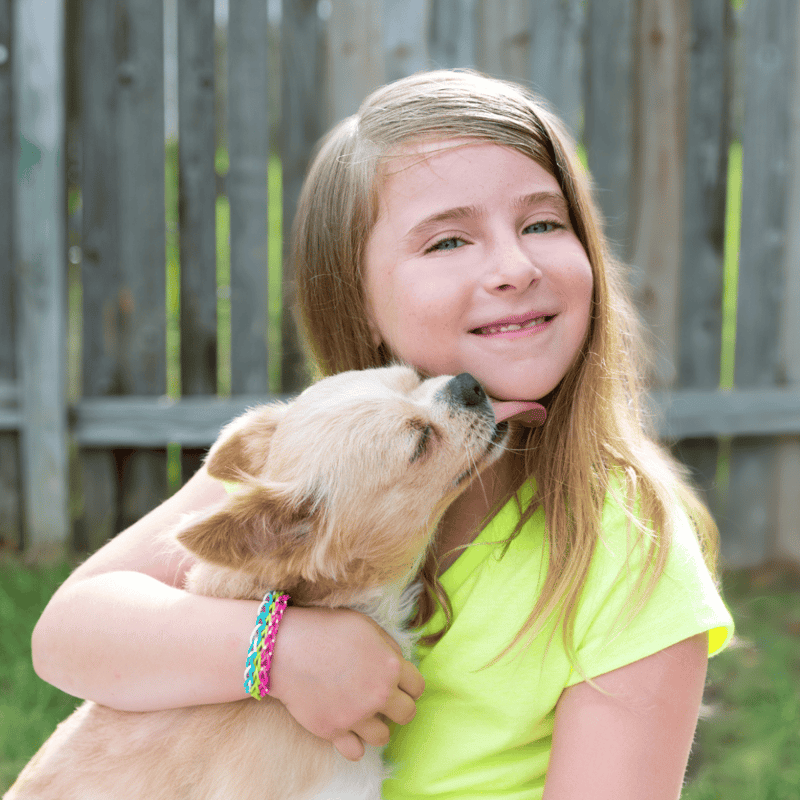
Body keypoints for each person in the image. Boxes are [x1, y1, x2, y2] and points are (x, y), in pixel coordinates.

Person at [32, 70, 733, 799]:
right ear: (357, 298)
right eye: (449, 240)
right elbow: (66, 636)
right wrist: (281, 651)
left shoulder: (628, 550)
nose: (514, 267)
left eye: (543, 223)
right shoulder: (310, 462)